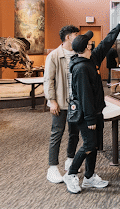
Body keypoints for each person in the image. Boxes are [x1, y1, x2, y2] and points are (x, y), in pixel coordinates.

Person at [63, 19, 120, 194]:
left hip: (95, 112)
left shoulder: (91, 58)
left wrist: (118, 27)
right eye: (90, 42)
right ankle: (71, 174)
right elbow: (85, 97)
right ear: (86, 48)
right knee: (89, 145)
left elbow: (106, 43)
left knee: (94, 145)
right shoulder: (81, 68)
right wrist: (90, 118)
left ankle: (89, 177)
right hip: (85, 114)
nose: (93, 43)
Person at [45, 25, 81, 184]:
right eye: (75, 34)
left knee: (74, 133)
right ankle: (52, 167)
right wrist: (52, 101)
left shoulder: (78, 54)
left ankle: (70, 159)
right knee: (57, 133)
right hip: (59, 103)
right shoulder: (53, 56)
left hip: (75, 103)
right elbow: (48, 80)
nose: (77, 37)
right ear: (68, 37)